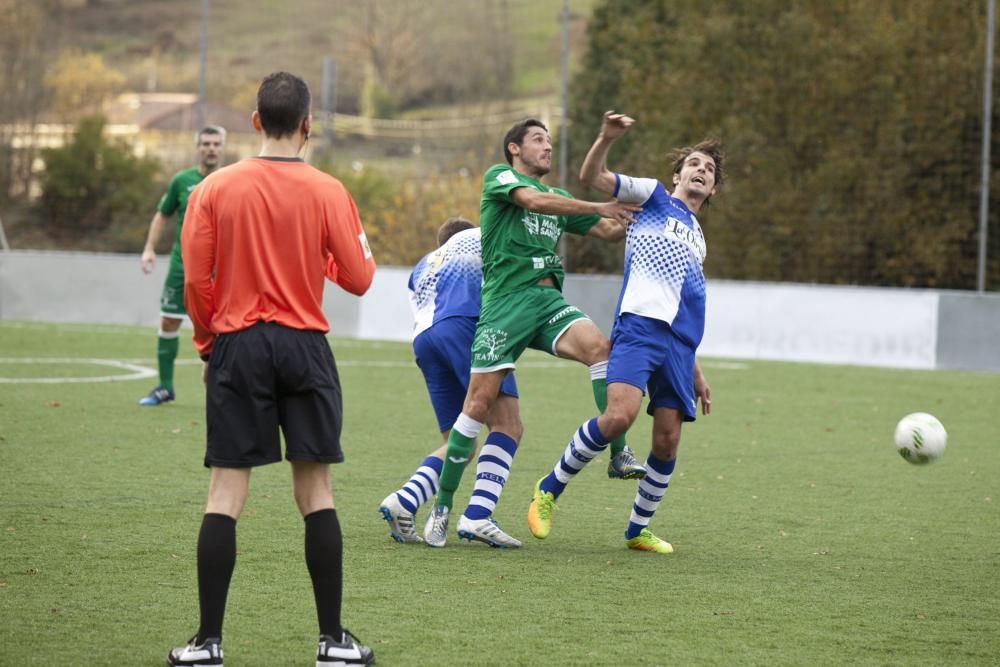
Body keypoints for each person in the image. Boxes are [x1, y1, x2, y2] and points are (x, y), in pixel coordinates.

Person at [167, 72, 376, 666]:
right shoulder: (329, 190)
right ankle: (333, 642)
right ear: (309, 125)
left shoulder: (213, 189)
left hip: (238, 345)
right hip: (305, 344)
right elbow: (360, 277)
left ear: (255, 121)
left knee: (226, 491)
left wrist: (210, 346)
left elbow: (196, 281)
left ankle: (207, 644)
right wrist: (322, 257)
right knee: (315, 490)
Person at [422, 118, 645, 548]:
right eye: (538, 140)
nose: (546, 147)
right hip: (505, 304)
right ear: (514, 149)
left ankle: (618, 454)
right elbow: (535, 203)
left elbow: (609, 231)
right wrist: (598, 206)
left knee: (601, 348)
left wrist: (644, 209)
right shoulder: (500, 177)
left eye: (549, 140)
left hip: (547, 303)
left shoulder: (561, 197)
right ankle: (444, 505)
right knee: (478, 403)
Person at [528, 111, 721, 555]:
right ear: (678, 174)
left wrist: (696, 367)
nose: (701, 171)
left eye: (709, 171)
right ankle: (548, 490)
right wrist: (606, 137)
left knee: (668, 440)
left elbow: (684, 304)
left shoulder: (699, 238)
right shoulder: (653, 196)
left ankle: (637, 529)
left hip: (679, 345)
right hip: (637, 327)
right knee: (619, 417)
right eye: (694, 164)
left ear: (711, 190)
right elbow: (591, 175)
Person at [379, 217, 525, 548]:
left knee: (462, 441)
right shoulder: (480, 236)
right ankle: (479, 514)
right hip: (464, 327)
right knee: (507, 425)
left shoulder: (424, 263)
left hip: (424, 340)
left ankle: (406, 500)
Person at [138, 126, 226, 406]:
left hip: (221, 269)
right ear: (197, 147)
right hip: (182, 265)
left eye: (215, 143)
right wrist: (150, 249)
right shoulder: (182, 180)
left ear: (222, 147)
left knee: (225, 329)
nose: (211, 148)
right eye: (206, 143)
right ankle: (165, 388)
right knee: (169, 320)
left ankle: (222, 393)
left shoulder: (232, 180)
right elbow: (162, 216)